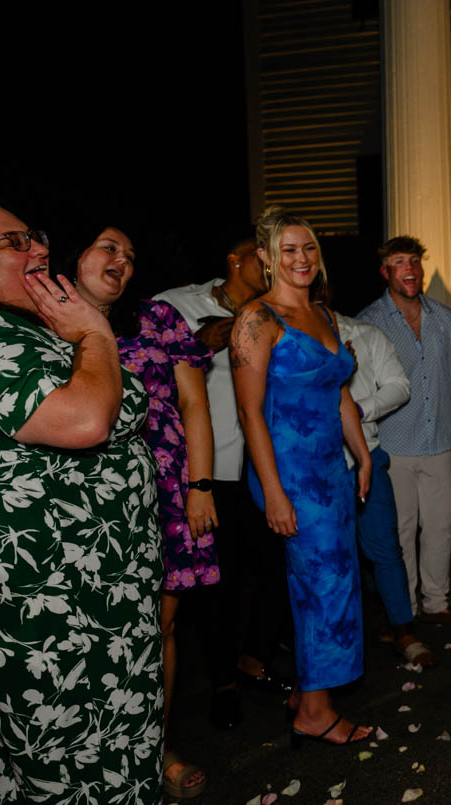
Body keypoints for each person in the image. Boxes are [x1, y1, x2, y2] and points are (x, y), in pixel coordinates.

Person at [0, 194, 230, 805]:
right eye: (12, 241)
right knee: (95, 758)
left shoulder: (4, 330)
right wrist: (93, 334)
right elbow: (91, 417)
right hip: (53, 607)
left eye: (35, 235)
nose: (36, 249)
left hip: (72, 594)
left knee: (26, 761)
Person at [69, 225, 220, 801]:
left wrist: (200, 486)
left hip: (165, 493)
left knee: (159, 628)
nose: (122, 261)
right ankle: (99, 752)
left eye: (130, 255)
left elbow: (193, 403)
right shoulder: (39, 326)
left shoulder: (157, 320)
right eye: (108, 248)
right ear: (72, 253)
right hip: (81, 506)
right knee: (92, 638)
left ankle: (155, 750)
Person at [231, 207, 375, 745]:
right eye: (289, 250)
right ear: (266, 258)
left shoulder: (324, 314)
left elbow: (340, 392)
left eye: (309, 248)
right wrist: (272, 491)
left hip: (330, 469)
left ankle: (309, 691)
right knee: (324, 584)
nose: (301, 259)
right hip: (289, 473)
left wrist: (359, 455)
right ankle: (314, 711)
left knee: (337, 580)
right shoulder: (256, 320)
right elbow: (249, 414)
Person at [156, 236, 292, 730]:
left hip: (267, 463)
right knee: (220, 584)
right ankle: (223, 684)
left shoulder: (284, 307)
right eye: (264, 257)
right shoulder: (176, 304)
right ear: (235, 259)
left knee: (281, 564)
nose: (274, 265)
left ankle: (254, 657)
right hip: (209, 470)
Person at [358, 236, 451, 625]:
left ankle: (437, 603)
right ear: (385, 271)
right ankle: (404, 611)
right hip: (392, 445)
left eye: (414, 262)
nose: (409, 269)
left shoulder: (445, 318)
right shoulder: (368, 322)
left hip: (440, 439)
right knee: (401, 533)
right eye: (399, 262)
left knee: (441, 528)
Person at [334, 308, 434, 666]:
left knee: (386, 547)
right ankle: (337, 644)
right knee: (329, 557)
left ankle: (403, 631)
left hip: (367, 452)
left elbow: (399, 386)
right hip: (311, 462)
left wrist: (358, 411)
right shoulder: (282, 334)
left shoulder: (364, 333)